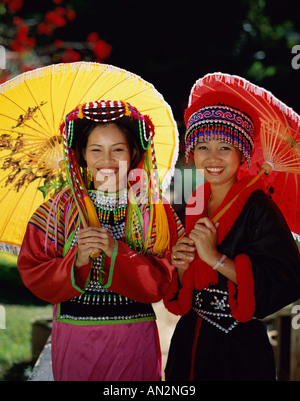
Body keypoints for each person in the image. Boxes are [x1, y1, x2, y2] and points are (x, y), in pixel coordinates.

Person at [17, 100, 184, 381]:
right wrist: (77, 260)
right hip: (75, 336)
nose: (107, 160)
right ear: (81, 153)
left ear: (132, 153)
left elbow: (165, 279)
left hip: (133, 337)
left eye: (117, 149)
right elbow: (33, 270)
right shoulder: (58, 208)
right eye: (96, 149)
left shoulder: (154, 211)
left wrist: (115, 251)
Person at [163, 75, 300, 381]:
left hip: (238, 344)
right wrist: (183, 264)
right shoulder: (195, 201)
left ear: (243, 153)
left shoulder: (260, 207)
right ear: (192, 154)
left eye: (225, 146)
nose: (212, 158)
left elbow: (286, 275)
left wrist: (215, 259)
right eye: (202, 147)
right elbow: (187, 279)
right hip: (190, 338)